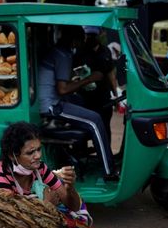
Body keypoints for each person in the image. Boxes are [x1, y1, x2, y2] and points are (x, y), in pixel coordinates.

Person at [0, 121, 93, 228]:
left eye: (39, 149)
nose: (38, 156)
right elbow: (11, 227)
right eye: (30, 152)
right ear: (12, 155)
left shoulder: (40, 168)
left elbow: (74, 206)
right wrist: (46, 204)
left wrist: (70, 187)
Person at [38, 25, 117, 178]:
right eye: (82, 39)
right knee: (95, 119)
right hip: (51, 106)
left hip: (50, 102)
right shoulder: (63, 54)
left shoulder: (58, 51)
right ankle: (110, 171)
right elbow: (62, 89)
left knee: (82, 103)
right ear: (74, 40)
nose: (84, 42)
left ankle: (82, 154)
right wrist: (89, 79)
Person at [75, 26, 118, 143]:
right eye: (88, 35)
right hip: (85, 98)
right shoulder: (79, 52)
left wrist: (116, 96)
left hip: (104, 98)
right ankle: (83, 155)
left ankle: (105, 156)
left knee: (104, 128)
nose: (91, 38)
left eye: (93, 35)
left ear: (100, 35)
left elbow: (111, 74)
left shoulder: (106, 51)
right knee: (84, 128)